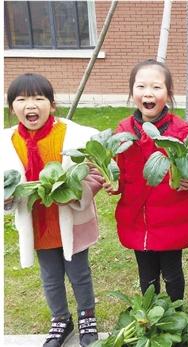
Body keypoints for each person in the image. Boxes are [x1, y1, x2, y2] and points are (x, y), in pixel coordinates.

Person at [3, 73, 101, 347]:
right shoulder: (7, 144)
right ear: (12, 108)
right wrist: (7, 199)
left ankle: (86, 316)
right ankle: (61, 319)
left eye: (38, 98)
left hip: (72, 220)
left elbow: (95, 174)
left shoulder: (74, 137)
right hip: (38, 224)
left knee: (79, 273)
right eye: (21, 99)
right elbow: (5, 185)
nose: (30, 105)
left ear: (52, 105)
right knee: (50, 277)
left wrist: (74, 195)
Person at [104, 59, 188, 302]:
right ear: (132, 93)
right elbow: (119, 173)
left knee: (172, 273)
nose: (148, 93)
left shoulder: (182, 132)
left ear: (168, 94)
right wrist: (113, 184)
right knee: (147, 276)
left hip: (173, 219)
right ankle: (153, 317)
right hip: (137, 219)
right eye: (141, 87)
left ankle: (176, 313)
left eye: (156, 87)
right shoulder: (123, 132)